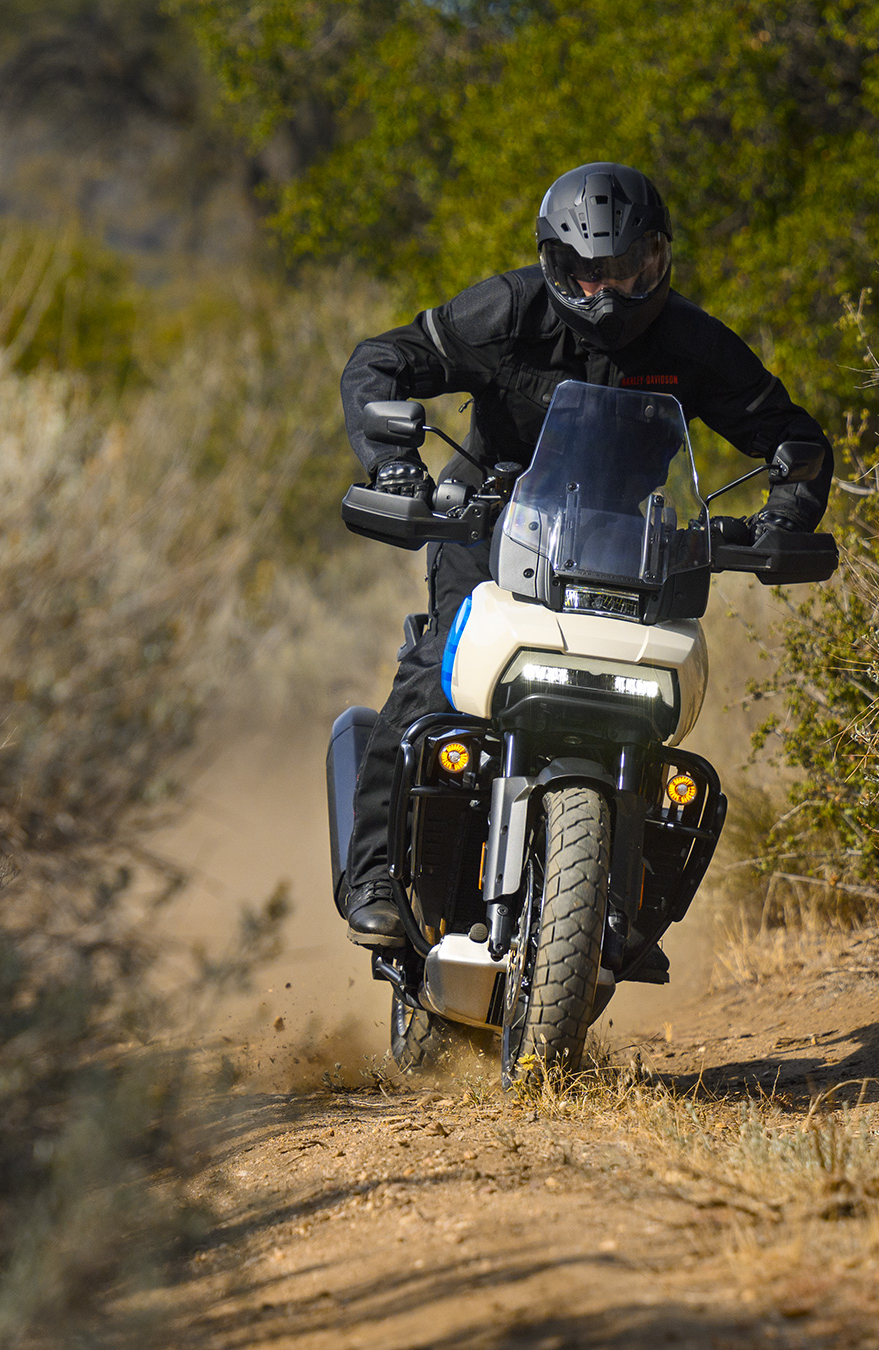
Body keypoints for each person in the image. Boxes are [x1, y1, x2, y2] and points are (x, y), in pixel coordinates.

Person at [336, 161, 833, 946]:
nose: (608, 290)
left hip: (622, 544)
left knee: (642, 710)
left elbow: (793, 438)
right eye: (587, 272)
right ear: (555, 264)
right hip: (487, 527)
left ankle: (625, 899)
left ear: (659, 258)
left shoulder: (693, 342)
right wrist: (394, 464)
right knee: (435, 669)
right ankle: (374, 878)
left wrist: (784, 513)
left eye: (630, 268)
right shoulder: (507, 312)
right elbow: (380, 360)